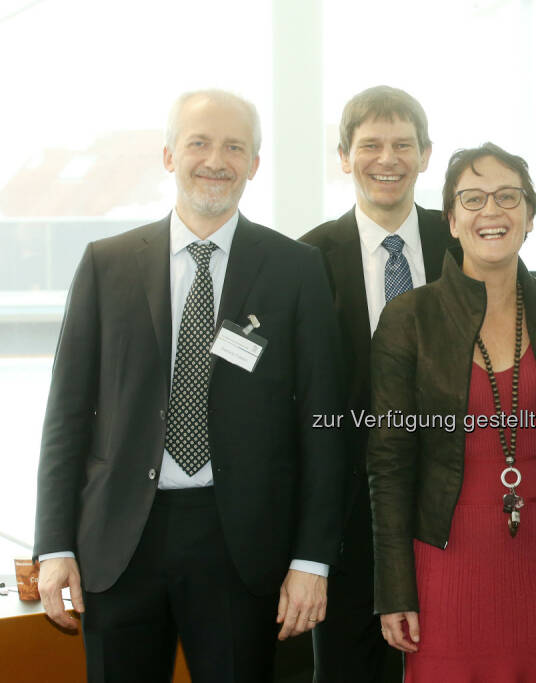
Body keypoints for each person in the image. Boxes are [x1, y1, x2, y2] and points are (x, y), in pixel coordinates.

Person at [33, 89, 348, 683]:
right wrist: (53, 548)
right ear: (169, 156)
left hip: (243, 548)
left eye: (235, 146)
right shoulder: (107, 264)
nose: (216, 160)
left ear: (254, 164)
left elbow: (323, 425)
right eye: (199, 143)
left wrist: (312, 559)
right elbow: (66, 417)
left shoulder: (296, 269)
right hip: (119, 544)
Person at [367, 143, 536, 682]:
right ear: (452, 220)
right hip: (447, 556)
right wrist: (394, 588)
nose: (492, 211)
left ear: (530, 216)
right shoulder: (410, 317)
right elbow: (388, 463)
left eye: (508, 197)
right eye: (474, 198)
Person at [300, 85, 454, 683]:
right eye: (370, 145)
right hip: (347, 518)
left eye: (402, 145)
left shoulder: (463, 243)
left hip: (454, 505)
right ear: (344, 156)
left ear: (425, 155)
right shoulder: (305, 259)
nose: (386, 158)